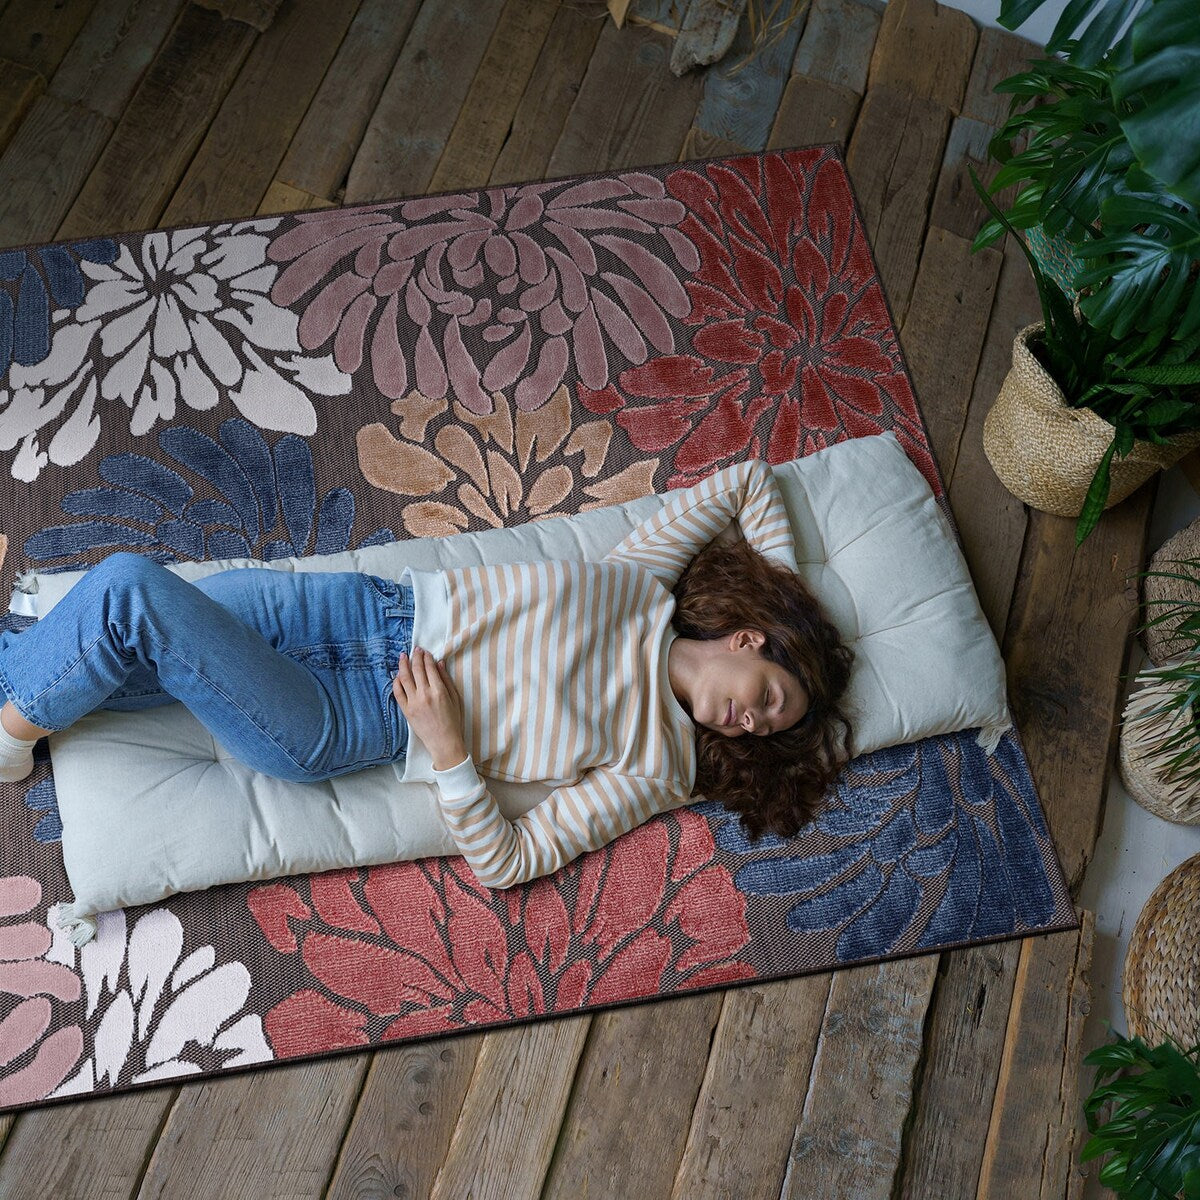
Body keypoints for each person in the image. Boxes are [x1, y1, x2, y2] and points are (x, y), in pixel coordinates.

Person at [0, 458, 855, 889]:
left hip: (347, 716)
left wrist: (450, 751)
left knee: (129, 592)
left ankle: (8, 739)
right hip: (353, 611)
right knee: (113, 637)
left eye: (766, 730)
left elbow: (512, 861)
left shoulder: (659, 765)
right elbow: (748, 483)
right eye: (770, 697)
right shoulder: (643, 582)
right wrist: (795, 608)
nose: (751, 723)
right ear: (749, 641)